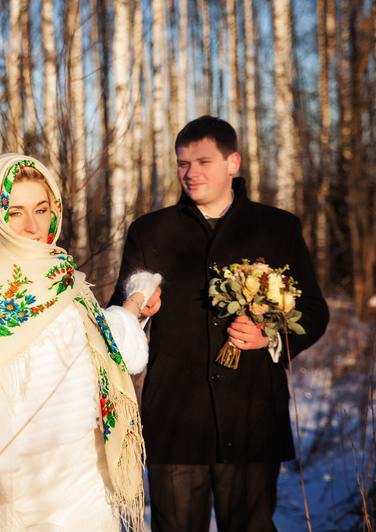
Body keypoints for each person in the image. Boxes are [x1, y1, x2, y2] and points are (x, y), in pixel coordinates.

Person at [110, 116, 329, 531]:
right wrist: (136, 309)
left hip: (251, 418)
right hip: (174, 420)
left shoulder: (277, 227)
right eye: (182, 163)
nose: (190, 173)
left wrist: (270, 335)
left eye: (203, 161)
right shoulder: (150, 231)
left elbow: (315, 311)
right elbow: (117, 319)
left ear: (233, 163)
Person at [0, 154, 162, 531]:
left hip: (86, 476)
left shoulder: (60, 275)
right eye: (15, 211)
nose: (33, 226)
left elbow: (97, 347)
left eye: (41, 209)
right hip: (21, 485)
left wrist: (135, 304)